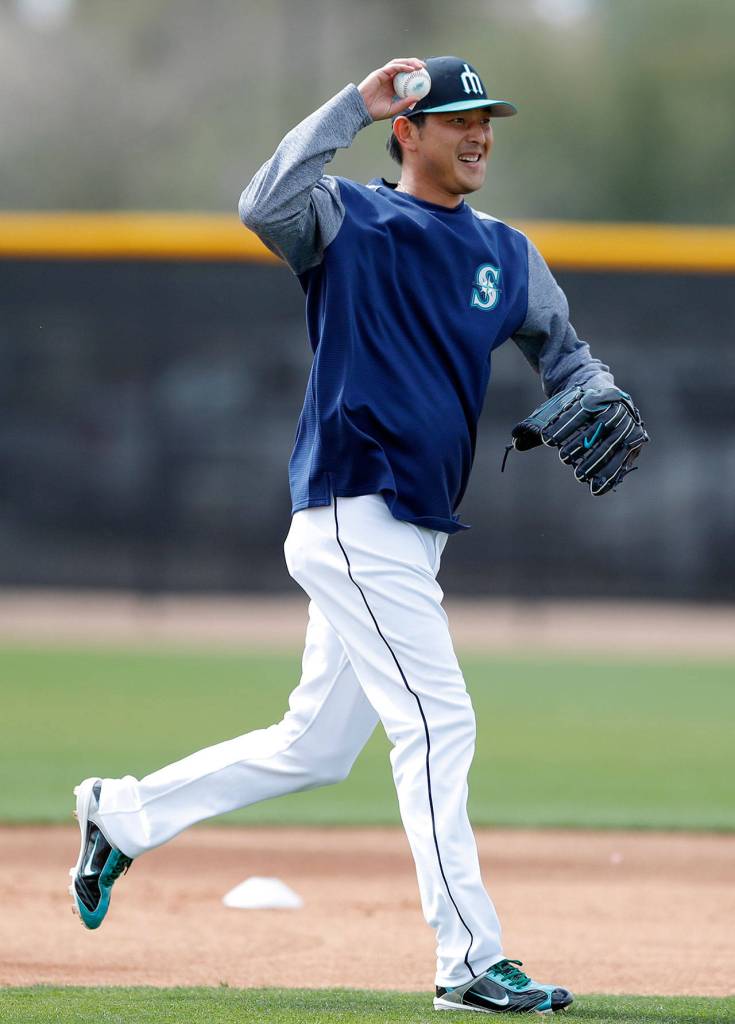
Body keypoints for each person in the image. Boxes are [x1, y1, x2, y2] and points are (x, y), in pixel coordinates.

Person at [70, 55, 627, 1015]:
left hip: (414, 531)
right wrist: (351, 108)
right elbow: (262, 203)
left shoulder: (506, 253)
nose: (478, 135)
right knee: (438, 722)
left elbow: (566, 355)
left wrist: (594, 385)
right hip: (351, 509)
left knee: (315, 747)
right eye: (458, 120)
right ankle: (466, 961)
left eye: (486, 120)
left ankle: (119, 814)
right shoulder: (346, 220)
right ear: (408, 132)